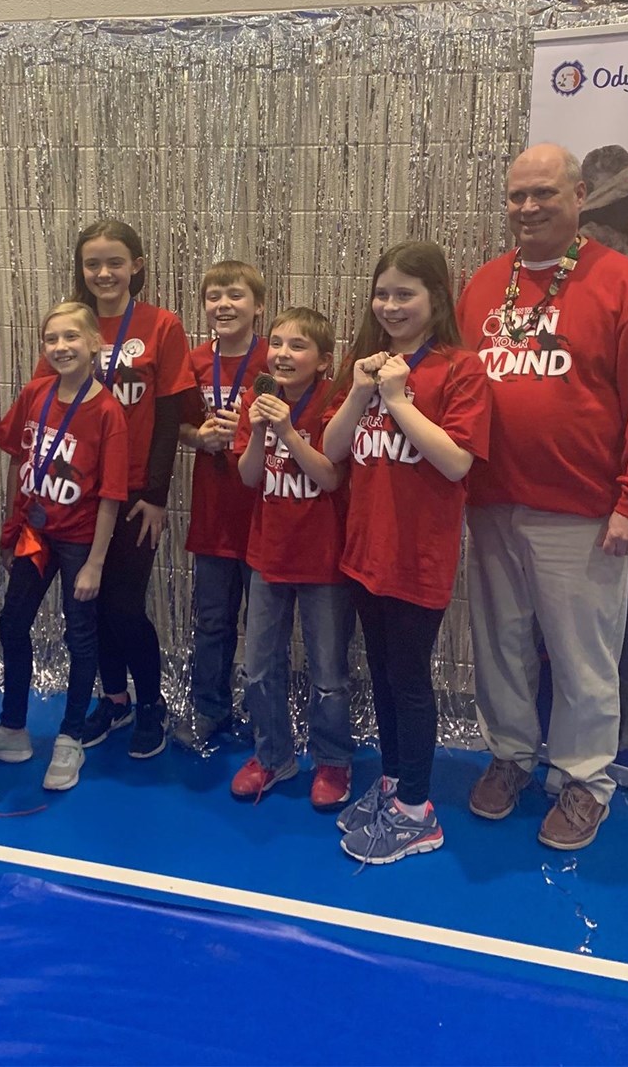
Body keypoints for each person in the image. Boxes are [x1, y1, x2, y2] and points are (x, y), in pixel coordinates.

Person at [457, 143, 628, 850]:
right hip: (492, 501)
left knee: (584, 656)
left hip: (582, 509)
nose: (528, 207)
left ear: (580, 196)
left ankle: (585, 780)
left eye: (544, 193)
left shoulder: (625, 284)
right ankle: (510, 755)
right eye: (517, 195)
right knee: (501, 643)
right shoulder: (484, 284)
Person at [324, 242, 491, 865]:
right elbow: (333, 451)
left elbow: (456, 462)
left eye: (405, 294)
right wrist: (361, 392)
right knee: (384, 676)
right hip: (365, 552)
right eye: (382, 293)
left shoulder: (460, 369)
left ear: (436, 298)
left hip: (417, 557)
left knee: (411, 681)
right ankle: (395, 783)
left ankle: (418, 812)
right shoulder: (367, 366)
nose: (390, 306)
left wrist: (397, 400)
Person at [61, 220, 196, 761]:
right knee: (91, 606)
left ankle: (150, 705)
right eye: (92, 263)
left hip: (137, 489)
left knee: (123, 606)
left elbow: (169, 416)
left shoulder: (161, 325)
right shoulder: (71, 323)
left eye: (115, 262)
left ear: (136, 266)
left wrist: (157, 495)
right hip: (82, 490)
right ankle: (114, 700)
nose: (103, 273)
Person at [0, 301, 128, 791]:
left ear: (94, 344)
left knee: (81, 636)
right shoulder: (36, 392)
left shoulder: (108, 411)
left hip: (78, 541)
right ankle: (13, 727)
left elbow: (111, 495)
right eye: (51, 339)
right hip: (35, 534)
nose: (60, 347)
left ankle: (70, 737)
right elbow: (17, 459)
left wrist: (95, 563)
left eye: (71, 337)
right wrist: (11, 527)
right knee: (12, 624)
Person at [231, 307, 354, 808]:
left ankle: (333, 760)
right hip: (268, 554)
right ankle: (273, 755)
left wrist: (287, 432)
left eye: (297, 346)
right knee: (259, 667)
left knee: (328, 674)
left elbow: (331, 477)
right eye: (277, 343)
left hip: (324, 560)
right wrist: (262, 430)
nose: (282, 354)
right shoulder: (258, 399)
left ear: (323, 361)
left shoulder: (335, 400)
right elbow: (248, 477)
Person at [176, 260, 268, 750]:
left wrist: (252, 433)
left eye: (235, 295)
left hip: (264, 515)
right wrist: (199, 437)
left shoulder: (275, 359)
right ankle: (209, 709)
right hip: (213, 516)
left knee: (265, 628)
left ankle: (266, 718)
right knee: (212, 622)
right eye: (214, 296)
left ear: (258, 305)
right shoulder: (192, 361)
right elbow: (175, 424)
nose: (224, 305)